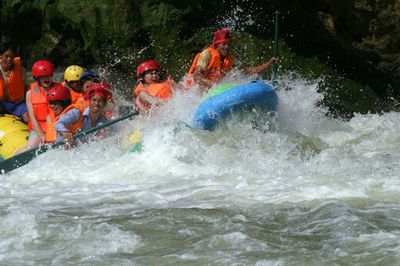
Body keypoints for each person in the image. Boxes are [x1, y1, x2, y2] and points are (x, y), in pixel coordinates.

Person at [187, 29, 279, 92]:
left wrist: (269, 63)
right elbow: (196, 76)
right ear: (216, 45)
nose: (227, 47)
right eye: (224, 44)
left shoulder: (230, 59)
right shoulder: (207, 54)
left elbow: (251, 70)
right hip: (194, 92)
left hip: (212, 92)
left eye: (228, 44)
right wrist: (213, 85)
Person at [15, 60, 58, 154]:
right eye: (43, 76)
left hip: (56, 127)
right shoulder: (29, 94)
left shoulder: (59, 90)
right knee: (30, 147)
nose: (47, 78)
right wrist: (41, 134)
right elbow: (32, 117)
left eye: (49, 75)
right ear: (37, 78)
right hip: (38, 129)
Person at [0, 44, 28, 123]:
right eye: (6, 56)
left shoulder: (21, 70)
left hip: (18, 104)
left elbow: (26, 87)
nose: (9, 59)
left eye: (12, 57)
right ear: (1, 56)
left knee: (27, 119)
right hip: (2, 104)